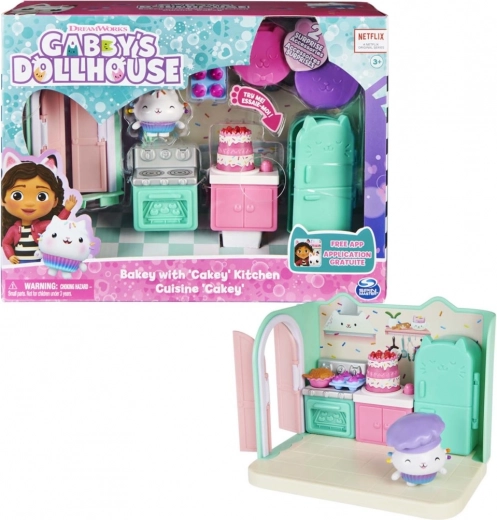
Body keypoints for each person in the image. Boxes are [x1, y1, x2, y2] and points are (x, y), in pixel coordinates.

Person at [1, 153, 77, 264]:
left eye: (41, 196)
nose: (29, 203)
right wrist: (10, 256)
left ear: (55, 201)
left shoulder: (41, 226)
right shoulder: (13, 229)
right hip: (20, 266)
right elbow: (6, 243)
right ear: (2, 199)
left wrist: (67, 209)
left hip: (40, 264)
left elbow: (57, 223)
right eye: (17, 195)